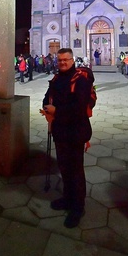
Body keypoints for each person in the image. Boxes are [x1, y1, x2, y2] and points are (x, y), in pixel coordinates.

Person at [41, 48, 93, 229]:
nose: (63, 63)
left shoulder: (81, 81)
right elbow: (47, 97)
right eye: (60, 60)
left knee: (76, 170)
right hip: (60, 131)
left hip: (76, 132)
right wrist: (47, 107)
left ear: (72, 60)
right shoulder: (56, 79)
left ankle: (78, 208)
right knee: (64, 166)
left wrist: (57, 111)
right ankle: (68, 198)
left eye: (66, 60)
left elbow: (79, 109)